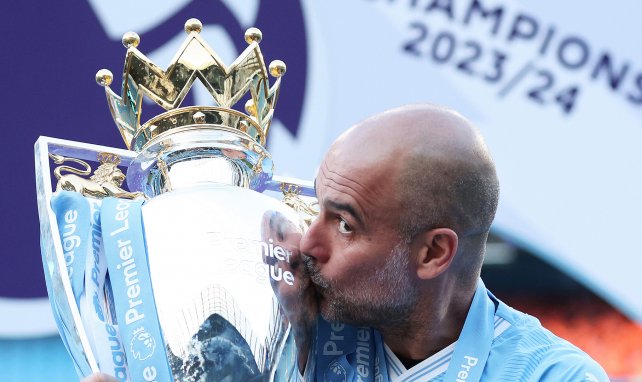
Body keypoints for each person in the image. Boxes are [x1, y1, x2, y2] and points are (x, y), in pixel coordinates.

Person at [82, 104, 608, 381]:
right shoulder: (288, 329)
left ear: (432, 253)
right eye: (318, 207)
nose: (308, 241)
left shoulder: (552, 376)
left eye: (346, 224)